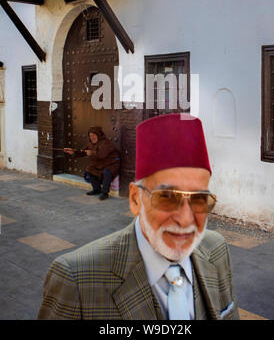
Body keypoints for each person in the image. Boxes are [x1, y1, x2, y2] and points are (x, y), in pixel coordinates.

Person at [38, 113, 239, 320]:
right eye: (167, 197)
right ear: (135, 199)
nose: (186, 220)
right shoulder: (77, 280)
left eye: (199, 200)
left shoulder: (216, 250)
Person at [64, 126, 120, 200]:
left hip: (111, 164)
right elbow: (83, 152)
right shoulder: (90, 144)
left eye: (94, 135)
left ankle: (105, 193)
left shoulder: (106, 143)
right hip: (100, 164)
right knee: (89, 170)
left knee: (107, 172)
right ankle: (97, 189)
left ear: (99, 135)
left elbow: (102, 154)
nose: (92, 137)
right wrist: (73, 152)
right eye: (90, 136)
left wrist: (91, 153)